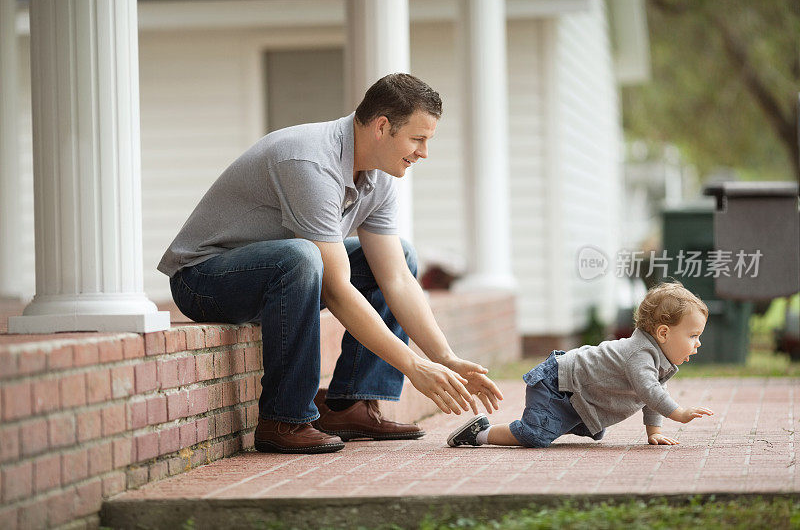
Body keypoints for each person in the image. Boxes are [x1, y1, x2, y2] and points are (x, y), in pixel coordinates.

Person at [158, 73, 503, 454]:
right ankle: (284, 419)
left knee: (398, 254)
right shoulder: (310, 160)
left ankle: (349, 405)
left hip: (280, 277)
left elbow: (396, 279)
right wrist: (413, 365)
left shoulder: (380, 174)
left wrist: (445, 358)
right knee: (301, 256)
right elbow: (337, 290)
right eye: (417, 139)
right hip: (203, 279)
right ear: (382, 126)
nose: (424, 152)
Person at [447, 282, 714, 448]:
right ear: (664, 333)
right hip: (558, 383)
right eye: (693, 336)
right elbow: (649, 391)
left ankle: (549, 423)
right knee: (535, 436)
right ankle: (480, 433)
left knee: (577, 429)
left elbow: (656, 393)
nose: (698, 343)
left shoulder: (657, 359)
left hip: (576, 394)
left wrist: (653, 432)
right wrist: (678, 413)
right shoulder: (640, 354)